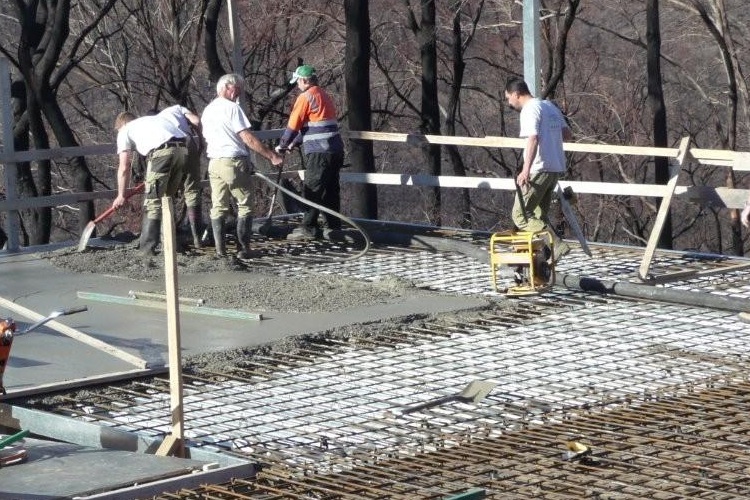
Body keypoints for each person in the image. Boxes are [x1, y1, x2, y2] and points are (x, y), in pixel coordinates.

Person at [201, 73, 284, 258]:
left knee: (218, 206)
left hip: (214, 162)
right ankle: (243, 249)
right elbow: (246, 137)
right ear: (227, 87)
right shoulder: (232, 108)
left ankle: (220, 250)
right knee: (245, 204)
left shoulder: (208, 110)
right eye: (236, 89)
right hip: (233, 161)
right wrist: (271, 155)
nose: (238, 93)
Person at [504, 77, 573, 260]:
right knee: (537, 215)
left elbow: (532, 138)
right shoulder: (550, 107)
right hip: (555, 167)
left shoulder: (529, 109)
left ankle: (556, 245)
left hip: (539, 168)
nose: (509, 103)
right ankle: (543, 258)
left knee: (520, 215)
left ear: (516, 94)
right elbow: (567, 134)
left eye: (508, 98)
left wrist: (526, 170)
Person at [277, 65, 345, 240]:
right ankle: (334, 226)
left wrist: (283, 144)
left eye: (298, 81)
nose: (298, 85)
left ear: (304, 80)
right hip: (335, 149)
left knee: (312, 188)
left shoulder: (305, 97)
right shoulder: (323, 95)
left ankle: (308, 227)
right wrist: (296, 142)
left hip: (319, 152)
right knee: (331, 189)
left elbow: (294, 124)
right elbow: (316, 125)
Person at [112, 111, 189, 257]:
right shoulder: (148, 122)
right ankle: (172, 246)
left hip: (162, 152)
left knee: (152, 203)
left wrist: (121, 195)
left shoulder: (124, 131)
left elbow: (124, 166)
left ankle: (146, 249)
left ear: (121, 125)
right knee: (167, 199)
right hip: (182, 149)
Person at [157, 105, 205, 249]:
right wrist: (201, 141)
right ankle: (197, 237)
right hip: (186, 142)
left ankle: (169, 239)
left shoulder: (155, 121)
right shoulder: (178, 108)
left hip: (164, 146)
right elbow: (196, 121)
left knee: (166, 193)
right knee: (192, 190)